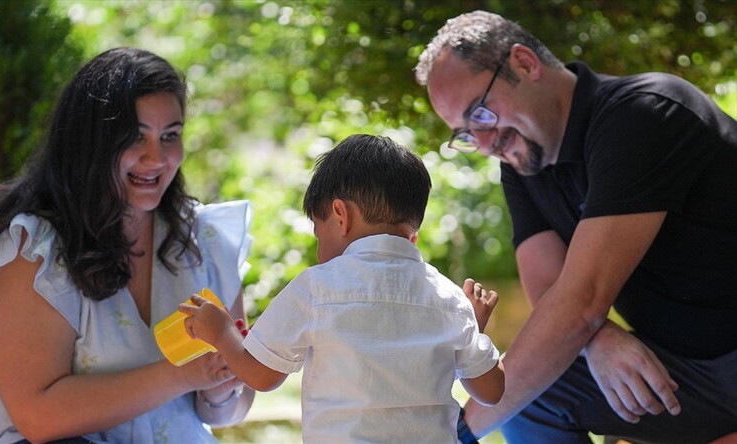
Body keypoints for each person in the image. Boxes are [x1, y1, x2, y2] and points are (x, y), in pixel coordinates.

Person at [414, 9, 737, 444]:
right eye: (467, 134)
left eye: (482, 114)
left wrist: (456, 434)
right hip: (685, 375)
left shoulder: (644, 111)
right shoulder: (524, 166)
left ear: (525, 64)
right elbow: (551, 289)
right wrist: (597, 340)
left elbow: (581, 302)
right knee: (526, 394)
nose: (486, 145)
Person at [0, 47, 255, 443]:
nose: (156, 157)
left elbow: (233, 407)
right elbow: (38, 418)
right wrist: (185, 373)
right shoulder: (32, 250)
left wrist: (220, 385)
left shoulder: (207, 241)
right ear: (88, 143)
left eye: (170, 136)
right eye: (134, 137)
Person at [179, 134, 505, 444]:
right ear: (412, 237)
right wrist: (472, 328)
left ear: (340, 215)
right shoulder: (449, 300)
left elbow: (262, 376)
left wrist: (222, 332)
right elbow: (491, 391)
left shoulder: (316, 289)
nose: (319, 244)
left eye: (318, 232)